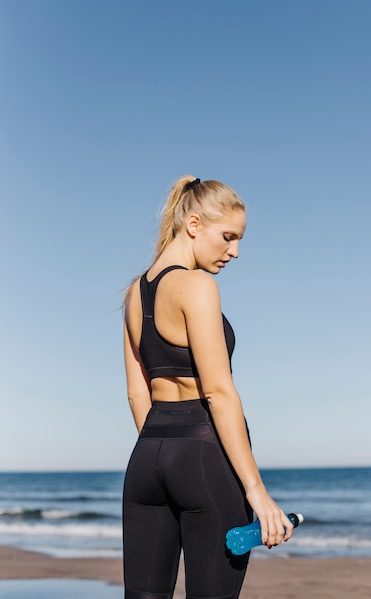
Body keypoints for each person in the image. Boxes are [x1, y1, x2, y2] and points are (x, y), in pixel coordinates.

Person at [122, 175, 293, 599]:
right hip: (204, 459)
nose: (234, 251)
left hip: (146, 461)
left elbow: (137, 392)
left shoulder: (134, 294)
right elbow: (219, 392)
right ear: (194, 223)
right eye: (228, 236)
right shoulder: (197, 286)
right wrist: (258, 493)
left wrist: (164, 454)